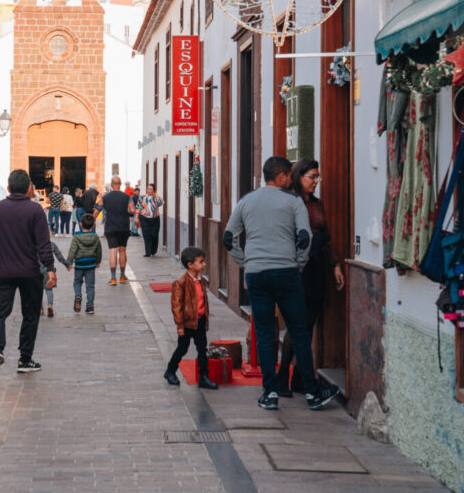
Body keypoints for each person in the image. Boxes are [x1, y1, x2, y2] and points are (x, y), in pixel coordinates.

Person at [224, 156, 339, 411]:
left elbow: (228, 237)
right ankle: (312, 392)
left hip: (257, 274)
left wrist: (246, 263)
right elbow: (305, 237)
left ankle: (270, 393)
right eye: (288, 175)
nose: (290, 179)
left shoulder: (246, 201)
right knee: (298, 332)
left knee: (265, 334)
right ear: (282, 176)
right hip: (286, 272)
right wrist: (297, 264)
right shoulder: (293, 201)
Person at [0, 170, 56, 379]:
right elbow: (43, 244)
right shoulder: (35, 210)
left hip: (3, 270)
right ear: (29, 188)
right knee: (30, 315)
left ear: (9, 186)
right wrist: (50, 268)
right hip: (30, 271)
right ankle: (25, 358)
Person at [279, 159, 345, 394]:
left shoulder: (317, 204)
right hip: (297, 267)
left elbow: (325, 235)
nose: (316, 181)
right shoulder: (289, 203)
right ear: (299, 176)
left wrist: (335, 264)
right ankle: (282, 377)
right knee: (297, 324)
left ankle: (297, 379)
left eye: (318, 177)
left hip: (317, 268)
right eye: (312, 176)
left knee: (308, 325)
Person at [164, 247, 218, 390]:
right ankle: (170, 371)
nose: (204, 264)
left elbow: (203, 301)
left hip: (199, 321)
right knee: (182, 348)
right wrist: (180, 325)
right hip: (187, 323)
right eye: (201, 262)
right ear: (190, 264)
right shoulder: (181, 282)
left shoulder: (201, 281)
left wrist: (205, 319)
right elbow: (176, 306)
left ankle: (203, 377)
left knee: (202, 349)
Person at [59, 212, 102, 313]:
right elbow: (98, 250)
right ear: (92, 225)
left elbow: (72, 250)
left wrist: (69, 263)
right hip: (91, 264)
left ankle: (78, 296)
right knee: (90, 286)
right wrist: (98, 261)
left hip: (79, 264)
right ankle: (90, 307)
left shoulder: (77, 237)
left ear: (81, 224)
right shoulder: (95, 236)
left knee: (77, 282)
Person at [97, 176, 134, 285]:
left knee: (113, 251)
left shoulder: (105, 197)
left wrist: (90, 221)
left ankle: (113, 278)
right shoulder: (127, 197)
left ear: (112, 184)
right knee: (122, 250)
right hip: (123, 227)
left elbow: (97, 209)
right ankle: (122, 276)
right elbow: (132, 210)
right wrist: (128, 212)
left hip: (110, 227)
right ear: (120, 184)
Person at [137, 183, 163, 257]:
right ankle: (147, 252)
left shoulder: (157, 199)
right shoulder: (142, 198)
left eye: (150, 189)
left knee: (154, 235)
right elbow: (138, 207)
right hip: (144, 219)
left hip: (155, 219)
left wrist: (155, 195)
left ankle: (153, 251)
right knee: (146, 235)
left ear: (154, 190)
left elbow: (161, 202)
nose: (148, 190)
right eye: (148, 189)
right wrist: (136, 218)